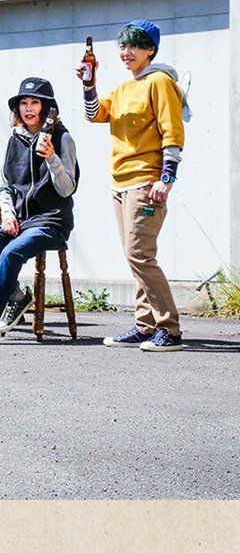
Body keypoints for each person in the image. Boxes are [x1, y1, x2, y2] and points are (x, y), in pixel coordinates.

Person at [77, 20, 185, 352]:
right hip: (120, 183)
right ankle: (145, 325)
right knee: (134, 256)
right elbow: (94, 114)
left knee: (140, 254)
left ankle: (169, 329)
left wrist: (167, 178)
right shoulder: (124, 88)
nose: (127, 52)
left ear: (151, 49)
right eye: (123, 46)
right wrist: (89, 84)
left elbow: (172, 130)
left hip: (146, 182)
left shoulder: (160, 82)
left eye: (134, 46)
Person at [0, 78, 79, 346]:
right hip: (20, 220)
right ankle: (17, 298)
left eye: (35, 103)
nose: (28, 108)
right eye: (24, 103)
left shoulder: (62, 138)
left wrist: (52, 158)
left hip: (52, 221)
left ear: (47, 108)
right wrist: (8, 215)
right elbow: (6, 186)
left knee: (11, 252)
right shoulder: (14, 141)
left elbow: (67, 189)